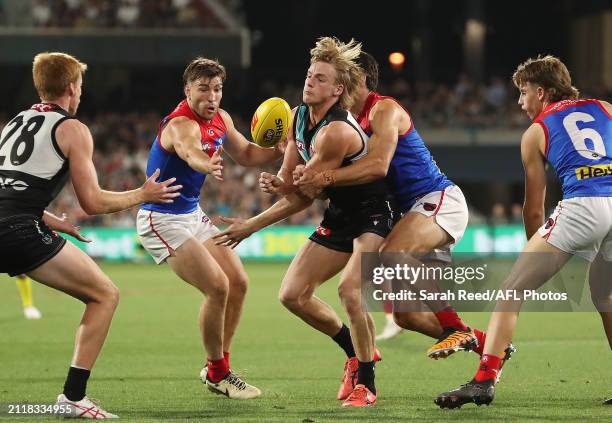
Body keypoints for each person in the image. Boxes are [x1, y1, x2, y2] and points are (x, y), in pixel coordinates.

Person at [295, 52, 514, 363]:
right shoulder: (345, 122)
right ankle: (493, 348)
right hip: (408, 215)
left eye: (344, 75)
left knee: (393, 253)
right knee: (406, 317)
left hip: (436, 200)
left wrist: (323, 176)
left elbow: (378, 166)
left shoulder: (383, 109)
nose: (338, 82)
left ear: (360, 79)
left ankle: (455, 327)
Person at [0, 52, 181, 419]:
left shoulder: (15, 122)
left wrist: (51, 219)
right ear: (71, 87)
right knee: (104, 295)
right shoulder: (72, 129)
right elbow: (94, 202)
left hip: (15, 221)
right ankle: (73, 397)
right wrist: (142, 194)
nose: (81, 93)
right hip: (18, 232)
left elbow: (9, 190)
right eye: (80, 86)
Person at [213, 37, 392, 407]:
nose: (310, 81)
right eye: (310, 75)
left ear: (337, 89)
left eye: (320, 78)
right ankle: (357, 352)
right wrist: (276, 182)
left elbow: (305, 195)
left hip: (372, 215)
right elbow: (291, 183)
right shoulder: (296, 117)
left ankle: (367, 385)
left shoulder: (336, 132)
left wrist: (251, 225)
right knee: (292, 295)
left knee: (348, 292)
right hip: (340, 214)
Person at [435, 55, 612, 408]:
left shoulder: (536, 132)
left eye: (523, 92)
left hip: (583, 207)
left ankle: (484, 380)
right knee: (605, 295)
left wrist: (537, 249)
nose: (520, 102)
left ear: (542, 92)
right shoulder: (606, 107)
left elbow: (534, 208)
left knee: (511, 289)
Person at [136, 57, 285, 400]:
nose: (212, 97)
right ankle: (218, 372)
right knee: (217, 287)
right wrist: (206, 161)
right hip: (161, 219)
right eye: (203, 89)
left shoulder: (221, 119)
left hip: (190, 213)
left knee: (239, 283)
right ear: (187, 90)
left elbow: (247, 153)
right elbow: (191, 153)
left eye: (217, 89)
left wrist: (278, 149)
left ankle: (218, 366)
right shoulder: (179, 126)